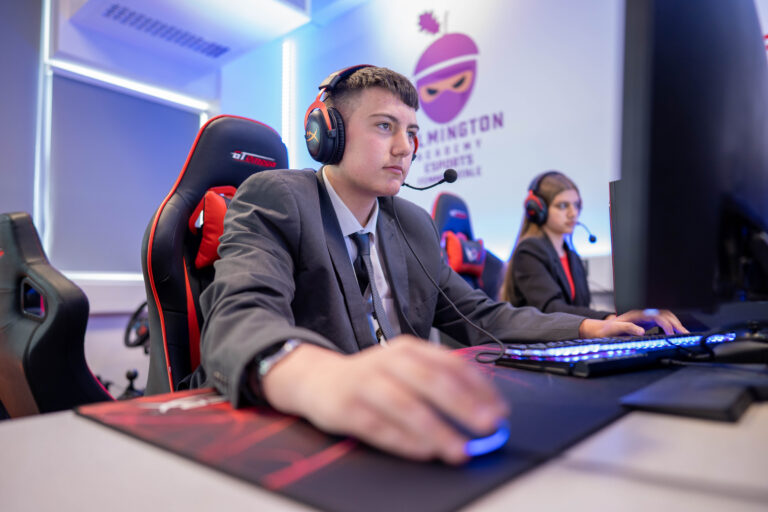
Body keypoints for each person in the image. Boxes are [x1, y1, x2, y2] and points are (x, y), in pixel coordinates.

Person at [198, 66, 683, 465]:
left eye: (412, 132)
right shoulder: (277, 198)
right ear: (328, 134)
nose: (405, 147)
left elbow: (482, 316)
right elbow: (240, 316)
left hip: (397, 433)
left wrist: (589, 328)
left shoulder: (411, 224)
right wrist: (317, 377)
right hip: (301, 436)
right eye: (385, 126)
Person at [500, 170, 685, 329]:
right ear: (537, 210)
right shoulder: (529, 251)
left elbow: (580, 307)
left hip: (565, 341)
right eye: (563, 205)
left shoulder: (571, 256)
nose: (573, 213)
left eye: (576, 204)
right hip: (535, 346)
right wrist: (609, 319)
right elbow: (551, 309)